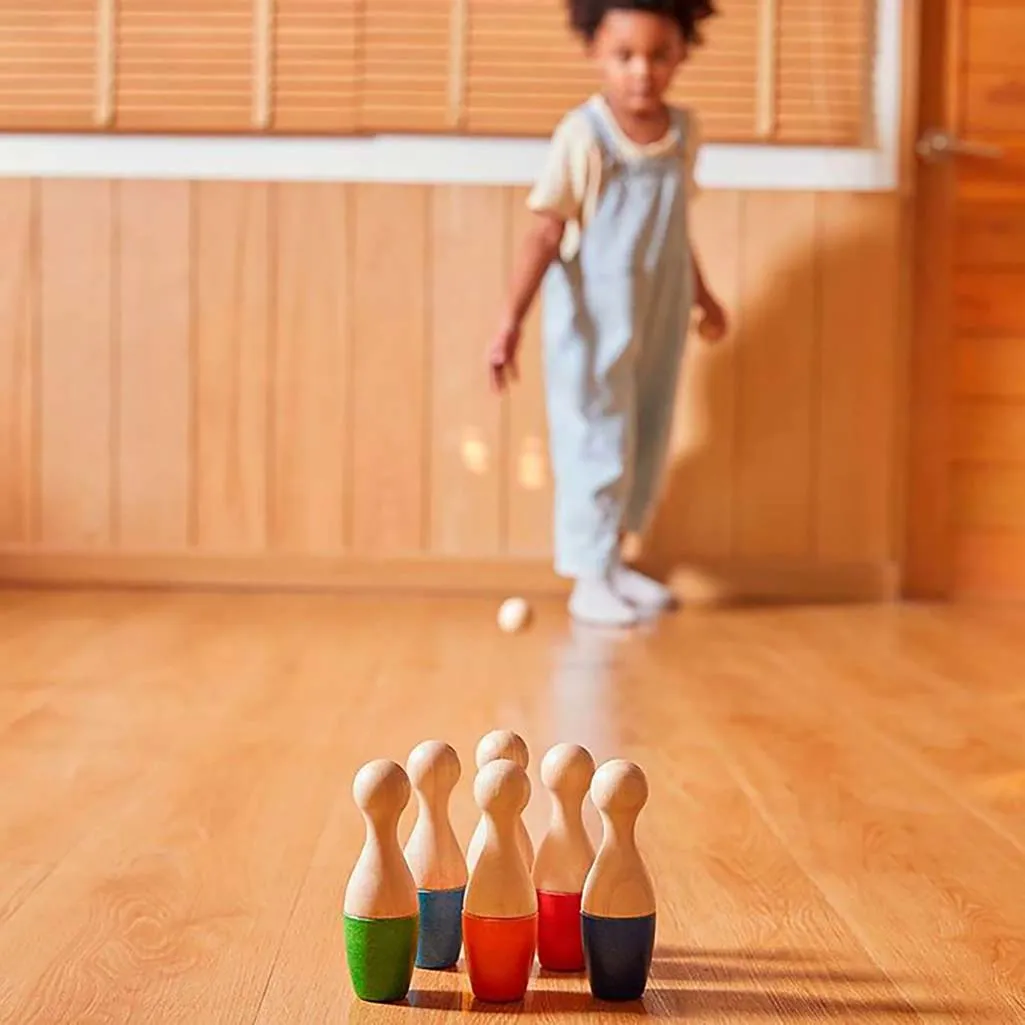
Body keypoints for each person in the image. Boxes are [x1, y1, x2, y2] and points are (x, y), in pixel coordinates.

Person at [488, 0, 728, 628]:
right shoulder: (584, 136)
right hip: (595, 324)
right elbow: (544, 234)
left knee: (643, 435)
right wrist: (510, 322)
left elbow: (675, 231)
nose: (642, 71)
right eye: (625, 55)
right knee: (596, 437)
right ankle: (588, 576)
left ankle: (616, 560)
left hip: (659, 316)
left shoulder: (683, 133)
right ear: (595, 50)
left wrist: (704, 297)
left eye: (658, 54)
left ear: (681, 53)